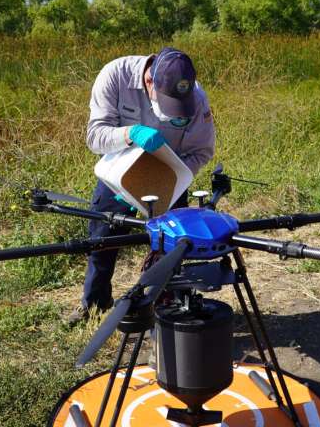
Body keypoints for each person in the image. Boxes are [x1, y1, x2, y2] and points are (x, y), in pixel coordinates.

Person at [68, 47, 216, 324]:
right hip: (118, 175)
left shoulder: (195, 97)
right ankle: (95, 304)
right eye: (167, 104)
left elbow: (202, 151)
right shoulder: (115, 76)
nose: (171, 114)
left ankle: (162, 310)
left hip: (168, 178)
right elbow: (94, 136)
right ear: (150, 82)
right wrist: (130, 133)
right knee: (101, 242)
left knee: (169, 249)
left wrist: (174, 180)